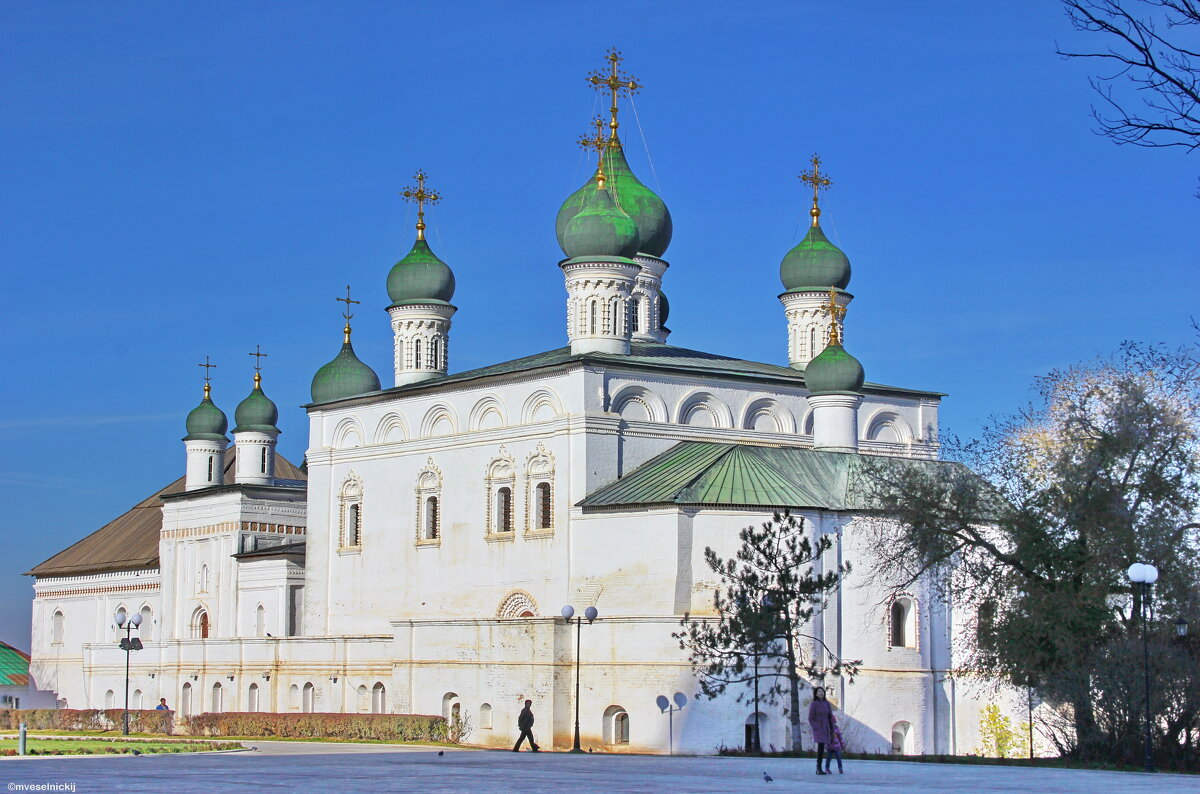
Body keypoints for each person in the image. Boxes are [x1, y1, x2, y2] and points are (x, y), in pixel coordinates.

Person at [808, 687, 834, 775]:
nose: (821, 693)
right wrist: (816, 727)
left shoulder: (827, 703)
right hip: (818, 728)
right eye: (819, 691)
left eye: (822, 691)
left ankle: (821, 767)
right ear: (816, 694)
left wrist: (832, 728)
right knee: (820, 746)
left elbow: (830, 716)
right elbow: (811, 718)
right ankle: (819, 768)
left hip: (826, 727)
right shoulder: (814, 704)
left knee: (823, 748)